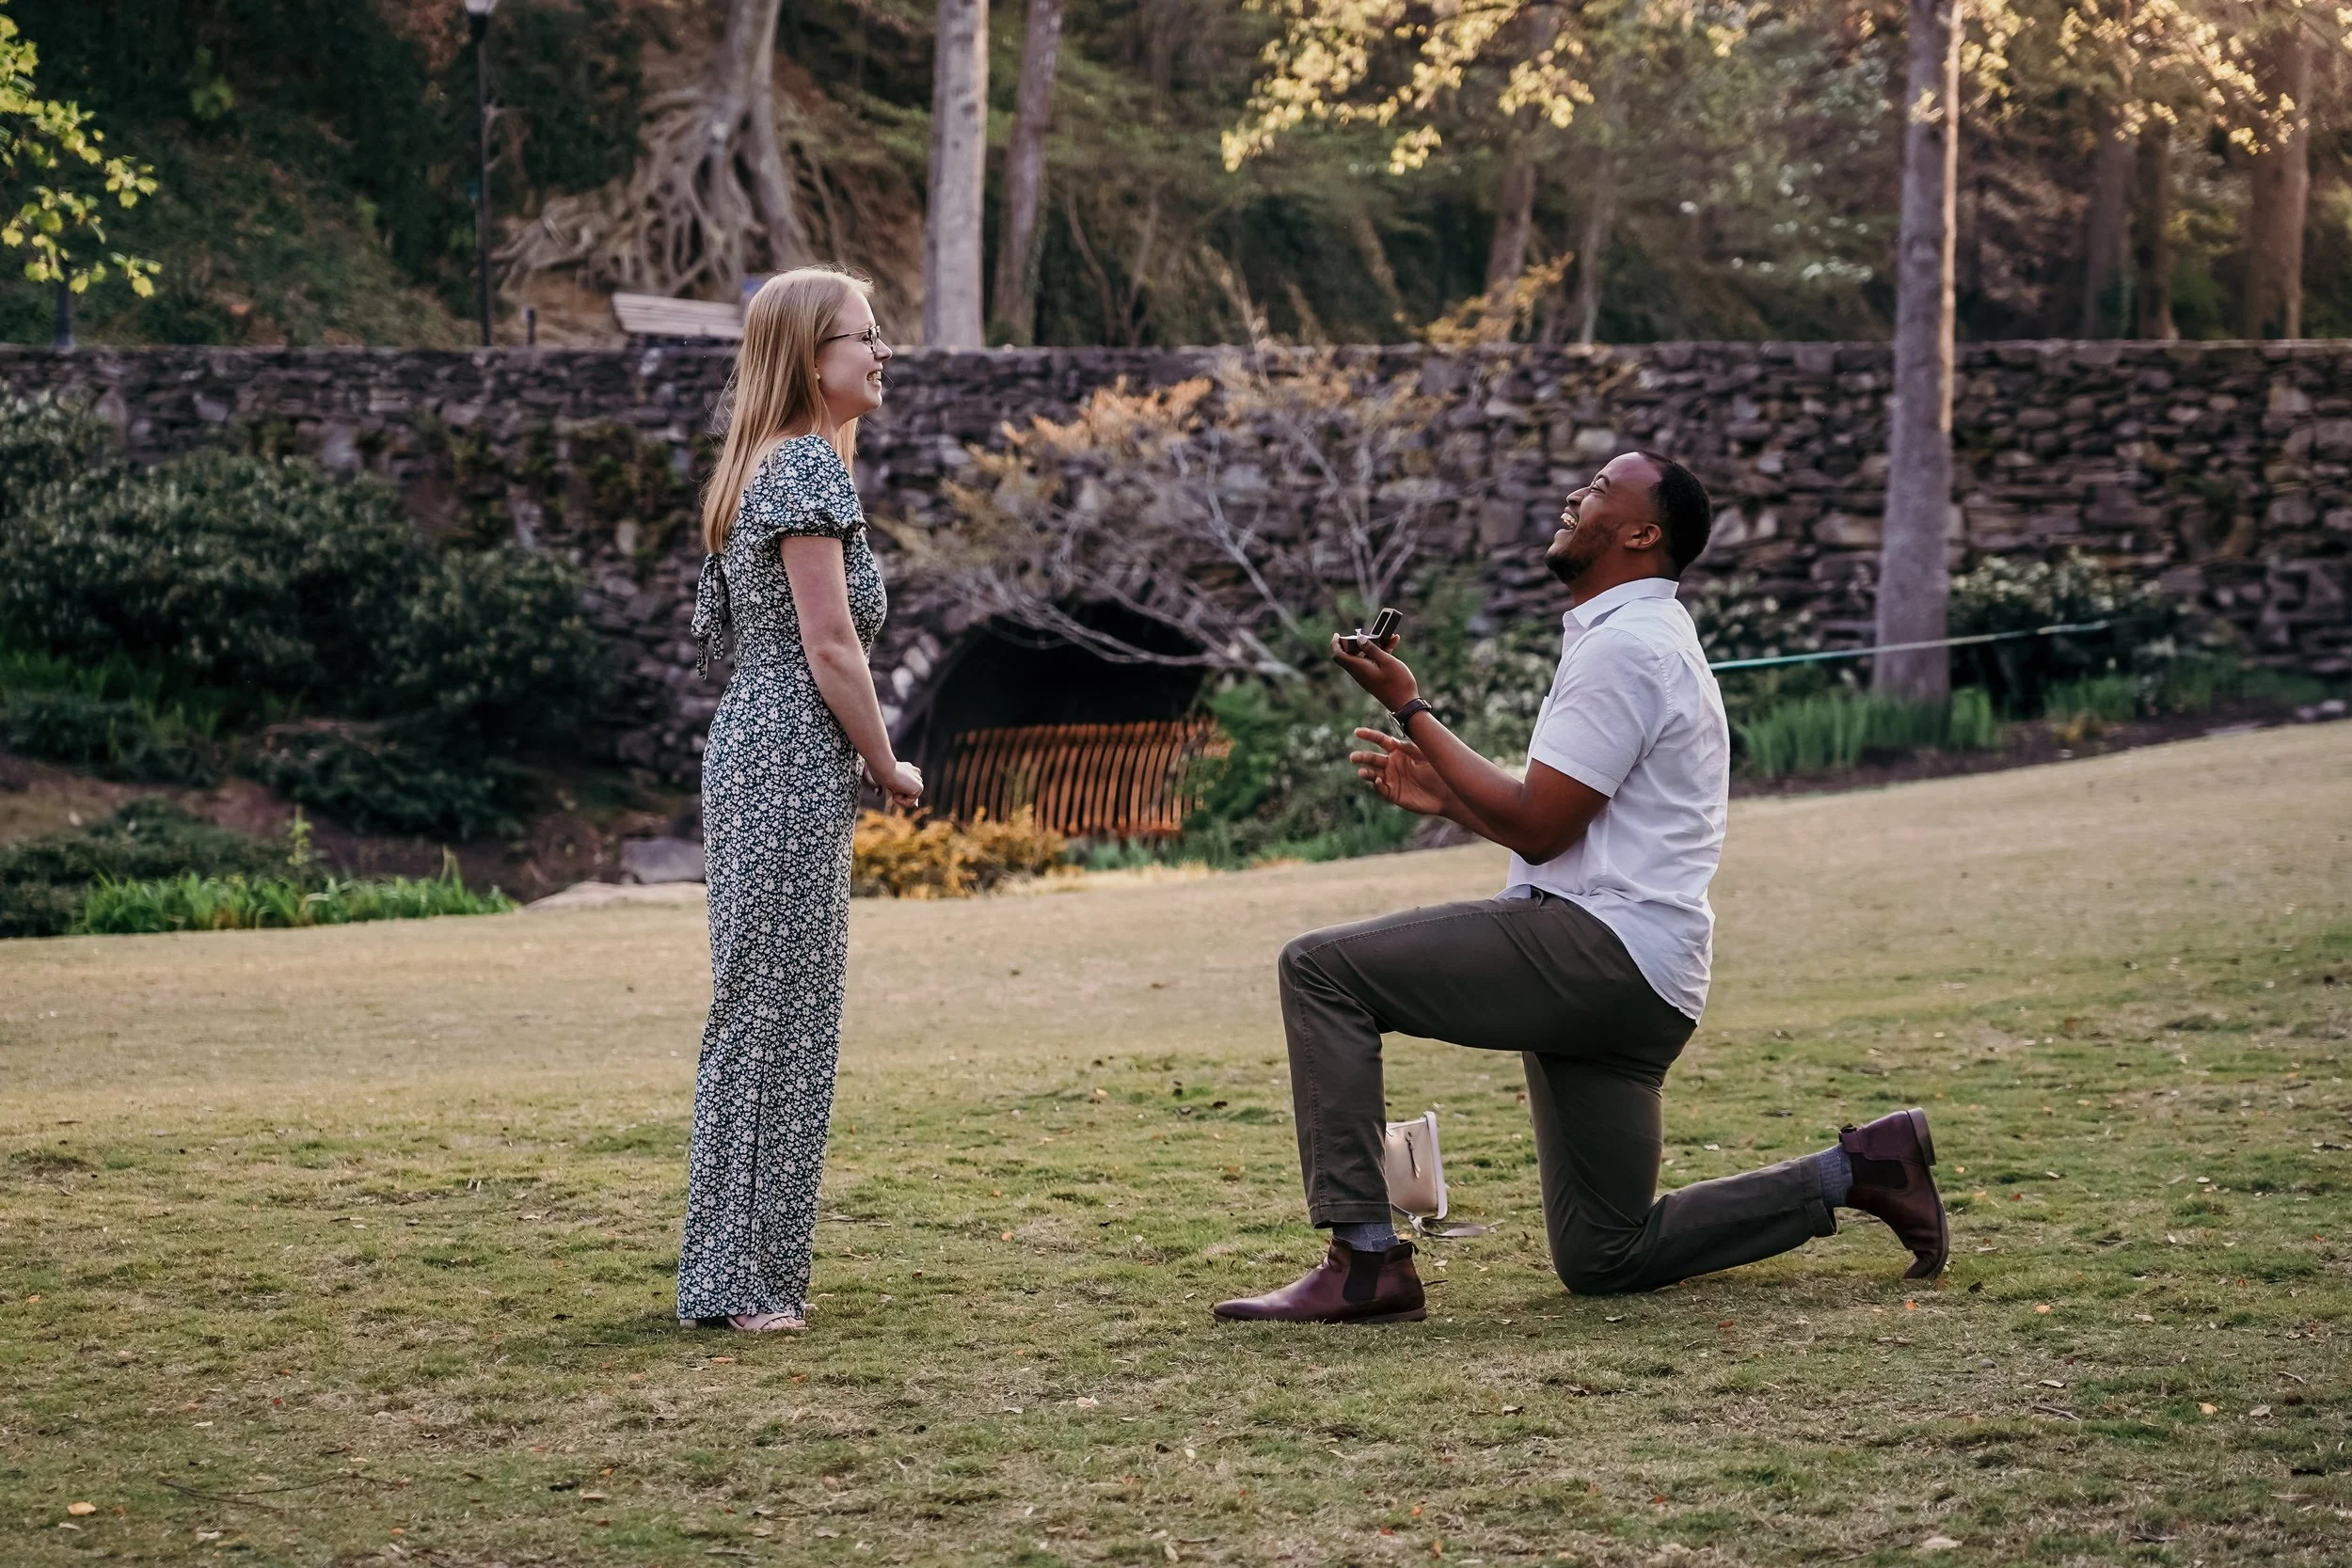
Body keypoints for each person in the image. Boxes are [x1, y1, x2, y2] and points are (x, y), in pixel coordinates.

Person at [1213, 451, 1947, 1325]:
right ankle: (1859, 1169)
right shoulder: (1636, 640)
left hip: (1598, 951)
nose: (1574, 494)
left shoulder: (1629, 648)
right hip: (1645, 978)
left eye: (1600, 487)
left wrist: (1413, 708)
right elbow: (1560, 821)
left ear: (1643, 532)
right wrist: (1445, 790)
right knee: (1607, 1251)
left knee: (1320, 971)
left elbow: (1540, 827)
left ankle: (1365, 1261)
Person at [677, 267, 923, 1334]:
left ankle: (743, 1270)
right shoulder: (805, 473)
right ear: (808, 356)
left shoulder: (759, 473)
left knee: (768, 1012)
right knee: (772, 1014)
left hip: (763, 748)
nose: (880, 355)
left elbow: (719, 641)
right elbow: (828, 644)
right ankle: (738, 1280)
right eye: (864, 338)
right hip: (788, 756)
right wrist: (889, 759)